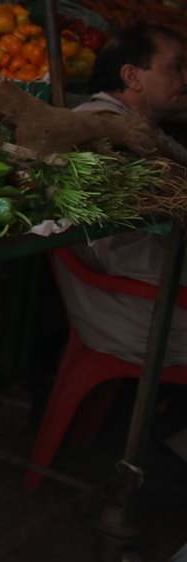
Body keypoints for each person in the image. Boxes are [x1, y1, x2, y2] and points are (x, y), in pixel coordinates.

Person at [58, 24, 187, 368]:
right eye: (176, 67)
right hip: (135, 313)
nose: (186, 78)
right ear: (132, 76)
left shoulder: (136, 128)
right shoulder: (100, 132)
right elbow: (124, 254)